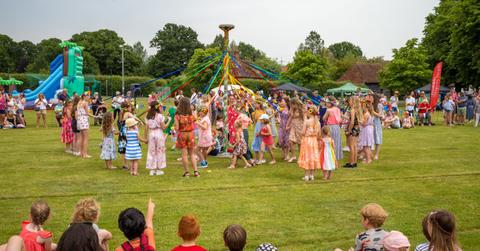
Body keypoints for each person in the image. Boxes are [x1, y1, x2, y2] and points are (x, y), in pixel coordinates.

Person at [175, 97, 199, 177]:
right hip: (191, 134)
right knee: (192, 154)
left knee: (184, 155)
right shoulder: (191, 114)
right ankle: (196, 171)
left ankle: (187, 172)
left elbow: (177, 128)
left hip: (182, 134)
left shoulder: (178, 115)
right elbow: (195, 121)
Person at [298, 107, 321, 181]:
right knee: (313, 156)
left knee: (307, 156)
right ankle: (311, 175)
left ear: (309, 112)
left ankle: (306, 175)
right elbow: (319, 133)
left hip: (307, 140)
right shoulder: (317, 122)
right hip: (314, 141)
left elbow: (303, 132)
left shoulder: (307, 121)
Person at [145, 101, 167, 176]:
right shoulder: (160, 116)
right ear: (158, 107)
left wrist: (145, 138)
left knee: (152, 151)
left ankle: (152, 169)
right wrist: (169, 121)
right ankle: (158, 169)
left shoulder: (148, 116)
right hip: (159, 133)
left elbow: (146, 128)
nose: (161, 108)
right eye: (160, 107)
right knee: (159, 151)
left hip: (151, 133)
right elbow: (163, 127)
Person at [323, 98, 343, 165]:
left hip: (331, 127)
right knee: (336, 142)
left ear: (330, 103)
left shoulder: (329, 110)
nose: (326, 104)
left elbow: (324, 118)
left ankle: (331, 158)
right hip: (337, 127)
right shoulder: (337, 109)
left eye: (327, 102)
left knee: (330, 143)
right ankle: (336, 159)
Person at [344, 96, 362, 168]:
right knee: (355, 146)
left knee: (351, 146)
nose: (349, 102)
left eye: (350, 101)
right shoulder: (358, 110)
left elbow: (351, 122)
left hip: (352, 128)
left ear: (353, 102)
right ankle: (354, 162)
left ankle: (351, 162)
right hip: (357, 128)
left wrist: (349, 130)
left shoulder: (352, 110)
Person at [287, 98, 305, 163]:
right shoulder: (292, 109)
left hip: (300, 127)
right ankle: (293, 156)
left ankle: (301, 157)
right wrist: (287, 125)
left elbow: (303, 118)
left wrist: (305, 128)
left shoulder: (301, 109)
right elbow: (290, 115)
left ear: (295, 104)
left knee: (300, 143)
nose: (290, 106)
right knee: (291, 141)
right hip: (293, 127)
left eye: (291, 104)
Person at [77, 93, 94, 158]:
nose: (89, 97)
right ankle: (85, 154)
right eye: (88, 96)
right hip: (84, 120)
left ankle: (81, 153)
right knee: (85, 138)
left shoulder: (79, 102)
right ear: (84, 96)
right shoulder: (85, 103)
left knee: (81, 137)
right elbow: (87, 113)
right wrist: (95, 116)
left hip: (79, 120)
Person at [370, 94, 384, 160]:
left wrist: (372, 111)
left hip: (377, 123)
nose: (370, 99)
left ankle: (376, 155)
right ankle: (370, 154)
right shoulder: (369, 105)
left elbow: (380, 115)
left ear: (374, 99)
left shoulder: (379, 105)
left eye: (371, 98)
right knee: (370, 139)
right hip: (370, 124)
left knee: (378, 139)